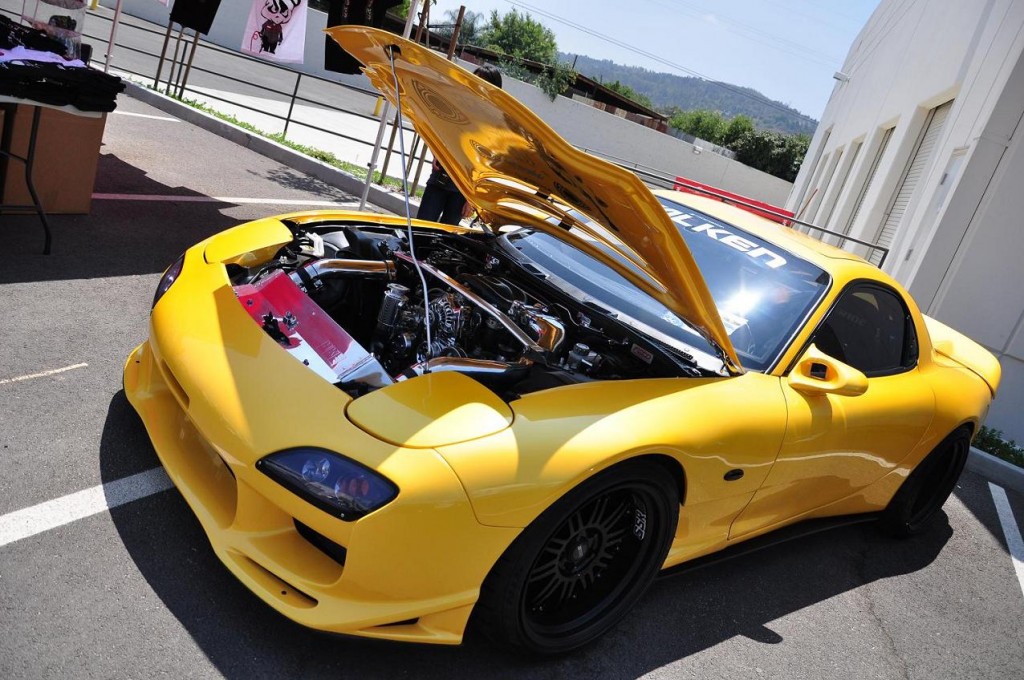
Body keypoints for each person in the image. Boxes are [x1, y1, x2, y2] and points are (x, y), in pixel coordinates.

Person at [417, 64, 503, 225]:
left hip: (463, 191)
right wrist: (435, 154)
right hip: (439, 179)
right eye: (473, 81)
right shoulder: (456, 106)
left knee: (446, 235)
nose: (476, 87)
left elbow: (487, 164)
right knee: (421, 228)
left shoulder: (494, 121)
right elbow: (439, 131)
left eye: (482, 84)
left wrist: (472, 200)